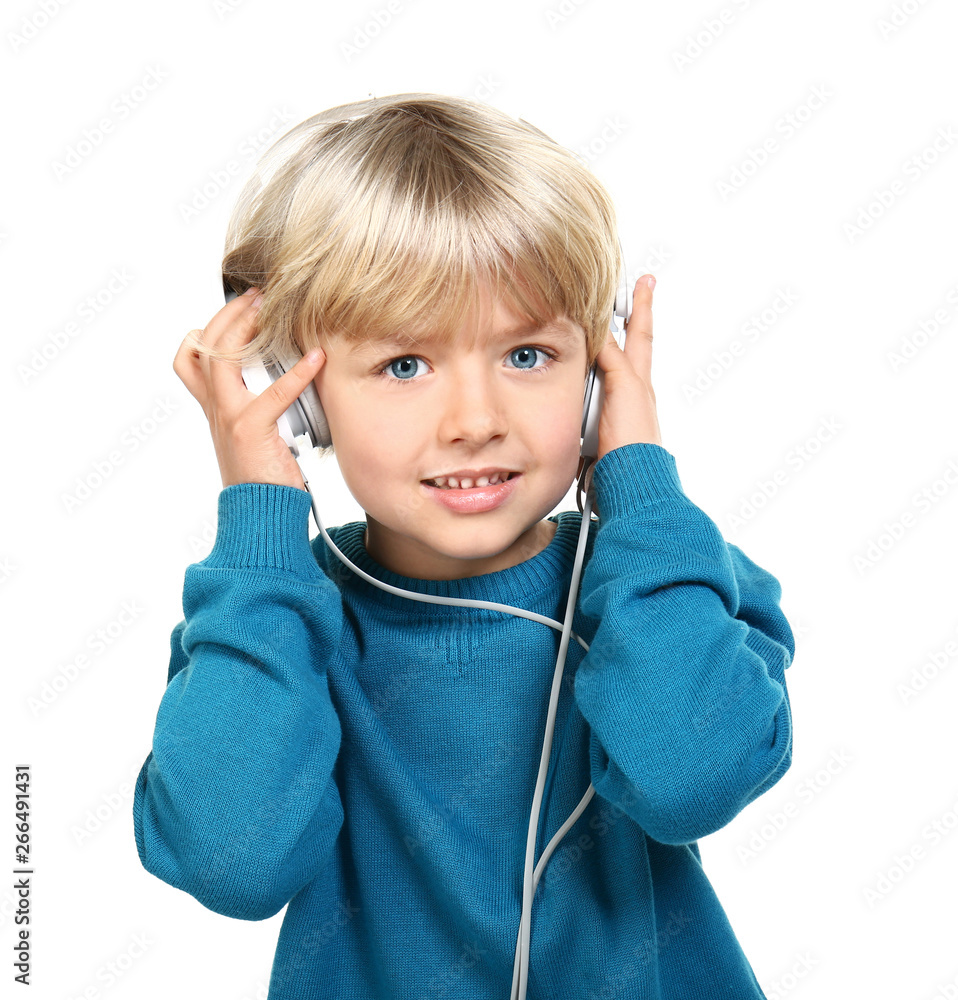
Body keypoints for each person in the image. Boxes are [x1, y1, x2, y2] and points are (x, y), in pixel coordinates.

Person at [133, 93, 795, 1000]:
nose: (477, 422)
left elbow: (690, 778)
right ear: (297, 401)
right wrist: (260, 521)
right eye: (404, 365)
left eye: (527, 355)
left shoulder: (663, 576)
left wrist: (636, 478)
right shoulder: (274, 620)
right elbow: (233, 862)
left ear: (598, 380)